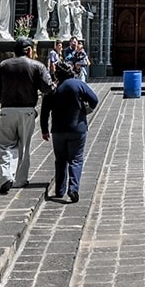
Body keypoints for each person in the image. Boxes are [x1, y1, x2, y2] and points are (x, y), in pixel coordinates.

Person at [0, 38, 54, 193]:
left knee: (6, 145)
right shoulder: (37, 66)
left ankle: (6, 176)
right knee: (24, 146)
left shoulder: (3, 65)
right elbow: (48, 88)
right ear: (28, 50)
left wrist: (6, 101)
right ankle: (20, 180)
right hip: (27, 110)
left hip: (7, 110)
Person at [40, 62, 98, 203]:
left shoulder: (53, 88)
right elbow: (95, 100)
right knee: (76, 159)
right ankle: (73, 188)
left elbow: (44, 111)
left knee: (60, 160)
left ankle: (60, 190)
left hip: (58, 130)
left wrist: (44, 130)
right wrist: (85, 109)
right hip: (77, 128)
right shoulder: (78, 85)